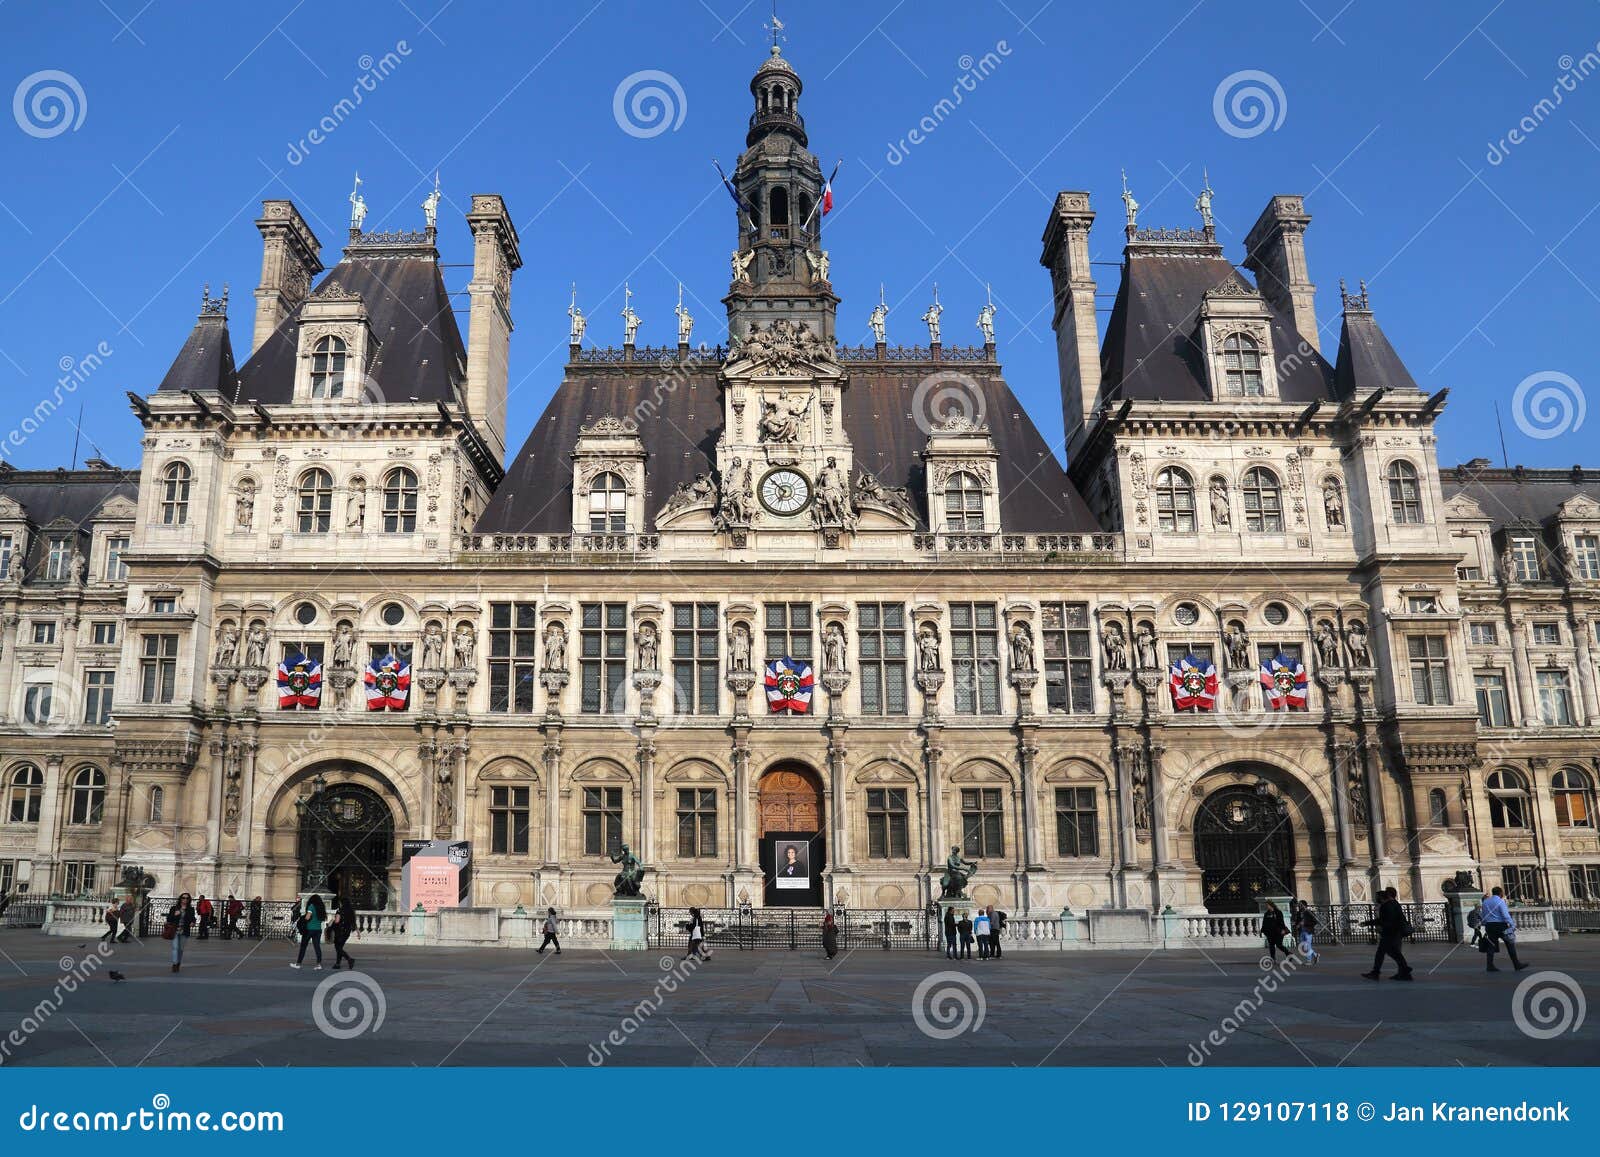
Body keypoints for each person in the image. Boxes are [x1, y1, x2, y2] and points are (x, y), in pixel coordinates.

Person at [1361, 887, 1414, 981]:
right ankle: (1404, 972)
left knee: (1385, 952)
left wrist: (1371, 924)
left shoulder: (1387, 905)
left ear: (1387, 895)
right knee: (1392, 952)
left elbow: (1385, 920)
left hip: (1390, 933)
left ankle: (1402, 970)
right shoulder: (1395, 903)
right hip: (1395, 932)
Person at [1478, 886, 1528, 973]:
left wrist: (1485, 923)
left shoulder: (1485, 902)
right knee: (1510, 944)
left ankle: (1489, 965)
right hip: (1500, 925)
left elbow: (1483, 915)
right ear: (1500, 893)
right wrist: (1512, 925)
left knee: (1491, 945)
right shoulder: (1500, 901)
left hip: (1490, 926)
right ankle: (1516, 964)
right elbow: (1505, 915)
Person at [291, 894, 326, 970]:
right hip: (318, 929)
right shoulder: (321, 907)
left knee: (303, 946)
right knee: (317, 947)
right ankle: (319, 964)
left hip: (309, 929)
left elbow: (307, 917)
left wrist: (302, 918)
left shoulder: (311, 906)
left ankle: (298, 963)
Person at [166, 893, 197, 973]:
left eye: (187, 898)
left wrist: (193, 922)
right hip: (175, 930)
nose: (185, 900)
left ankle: (178, 962)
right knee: (175, 947)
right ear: (180, 899)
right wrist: (174, 914)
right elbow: (169, 919)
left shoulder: (190, 909)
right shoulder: (174, 908)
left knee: (181, 949)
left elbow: (193, 918)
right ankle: (175, 964)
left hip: (184, 931)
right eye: (183, 898)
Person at [330, 895, 357, 970]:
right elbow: (353, 922)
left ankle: (349, 959)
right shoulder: (351, 911)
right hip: (346, 932)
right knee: (340, 948)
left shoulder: (340, 910)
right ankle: (337, 964)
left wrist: (332, 921)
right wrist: (358, 932)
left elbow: (337, 921)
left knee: (338, 948)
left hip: (339, 931)